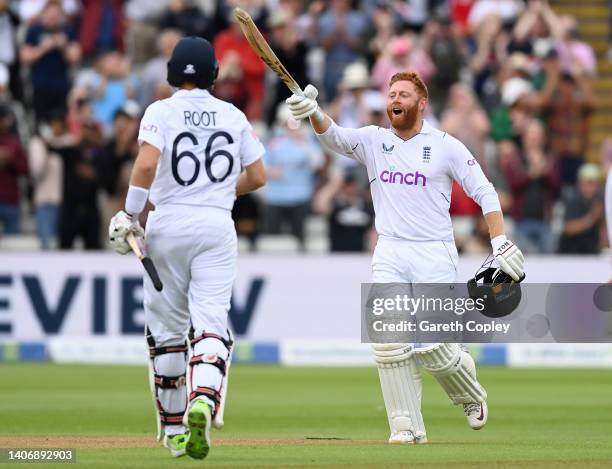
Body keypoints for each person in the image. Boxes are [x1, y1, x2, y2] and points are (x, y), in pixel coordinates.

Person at [286, 71, 524, 443]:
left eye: (403, 94)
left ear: (421, 103)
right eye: (391, 93)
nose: (395, 99)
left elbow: (485, 192)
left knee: (432, 346)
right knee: (389, 341)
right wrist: (313, 111)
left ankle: (469, 395)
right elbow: (334, 135)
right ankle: (405, 427)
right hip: (391, 248)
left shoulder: (445, 145)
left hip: (434, 250)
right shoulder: (373, 140)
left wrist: (500, 242)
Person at [108, 37, 266, 460]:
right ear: (214, 73)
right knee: (211, 322)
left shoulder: (160, 110)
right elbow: (259, 175)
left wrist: (130, 214)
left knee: (167, 335)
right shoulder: (232, 115)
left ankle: (176, 430)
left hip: (168, 224)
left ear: (172, 73)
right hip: (216, 225)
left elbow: (145, 164)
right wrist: (217, 194)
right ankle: (204, 398)